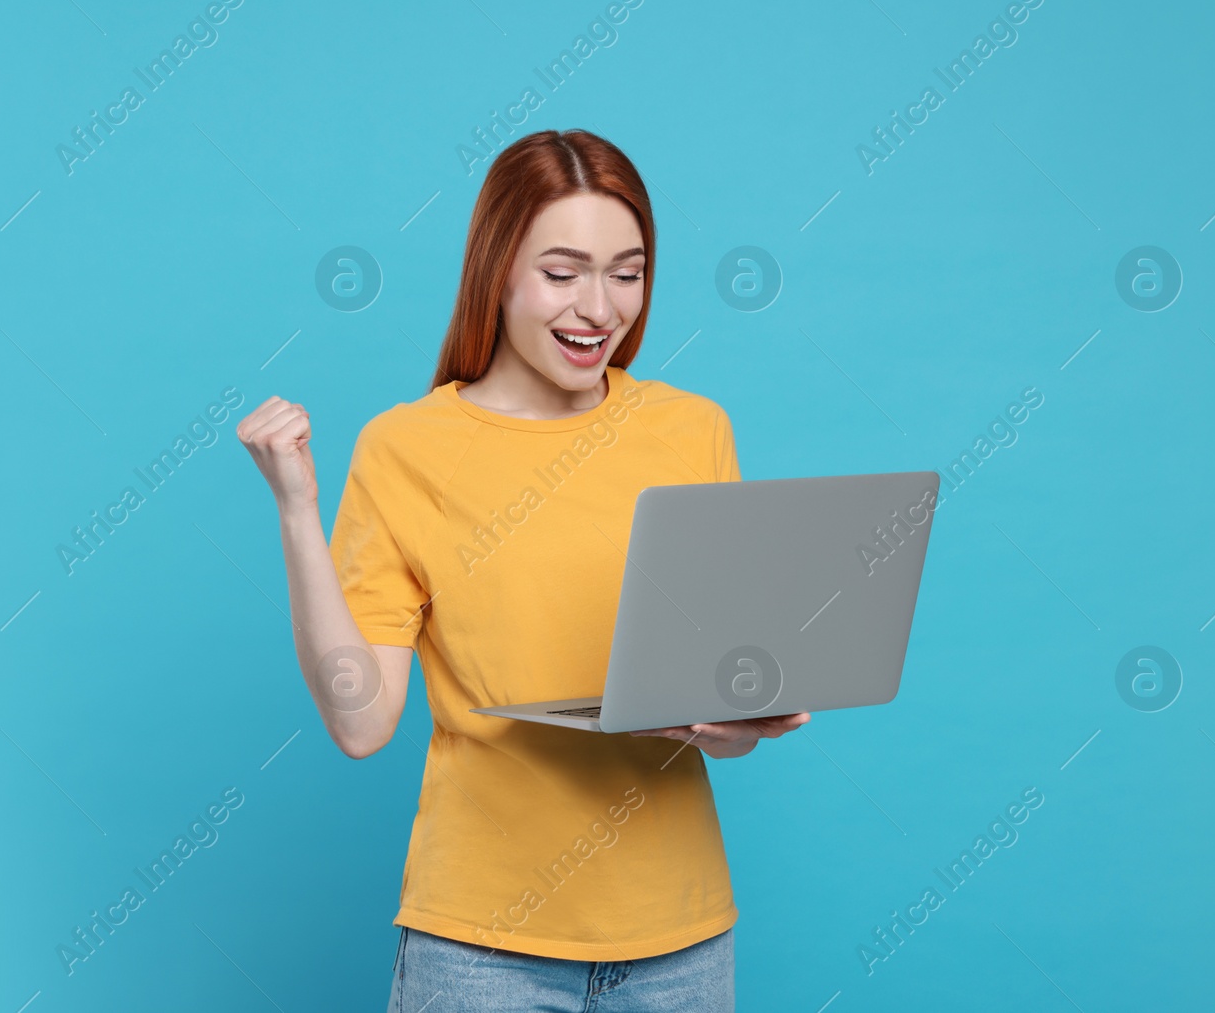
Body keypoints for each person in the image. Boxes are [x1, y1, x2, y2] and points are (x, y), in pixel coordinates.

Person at [237, 129, 809, 1013]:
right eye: (563, 271)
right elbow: (362, 723)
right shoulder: (406, 449)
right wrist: (297, 510)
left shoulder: (693, 431)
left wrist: (746, 714)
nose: (600, 306)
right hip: (479, 950)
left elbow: (722, 734)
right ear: (497, 268)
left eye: (627, 270)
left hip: (681, 942)